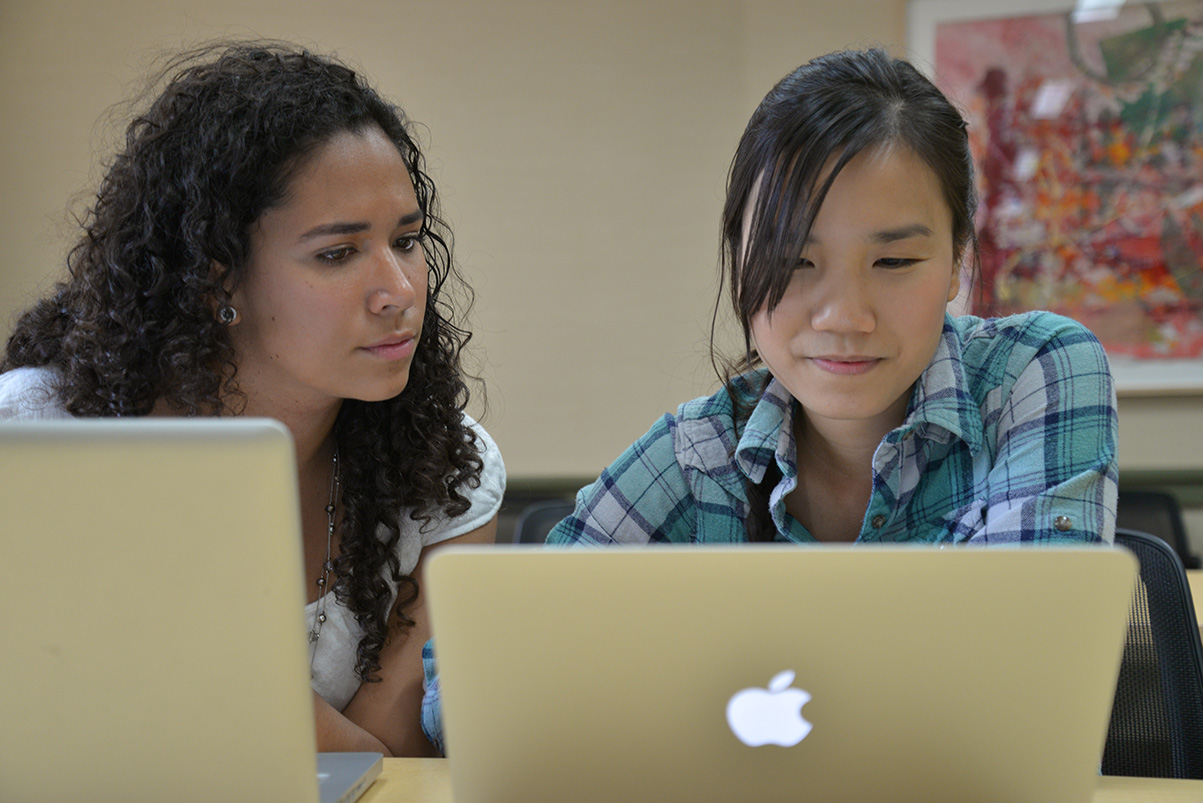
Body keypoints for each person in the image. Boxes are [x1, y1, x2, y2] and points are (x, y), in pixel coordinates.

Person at [417, 47, 1118, 748]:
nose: (844, 315)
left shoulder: (1037, 372)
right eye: (792, 261)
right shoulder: (696, 455)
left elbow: (1030, 685)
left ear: (958, 263)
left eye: (894, 261)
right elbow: (463, 695)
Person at [0, 41, 505, 757]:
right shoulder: (35, 431)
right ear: (216, 280)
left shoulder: (446, 465)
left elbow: (380, 761)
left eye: (407, 239)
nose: (399, 289)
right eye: (338, 252)